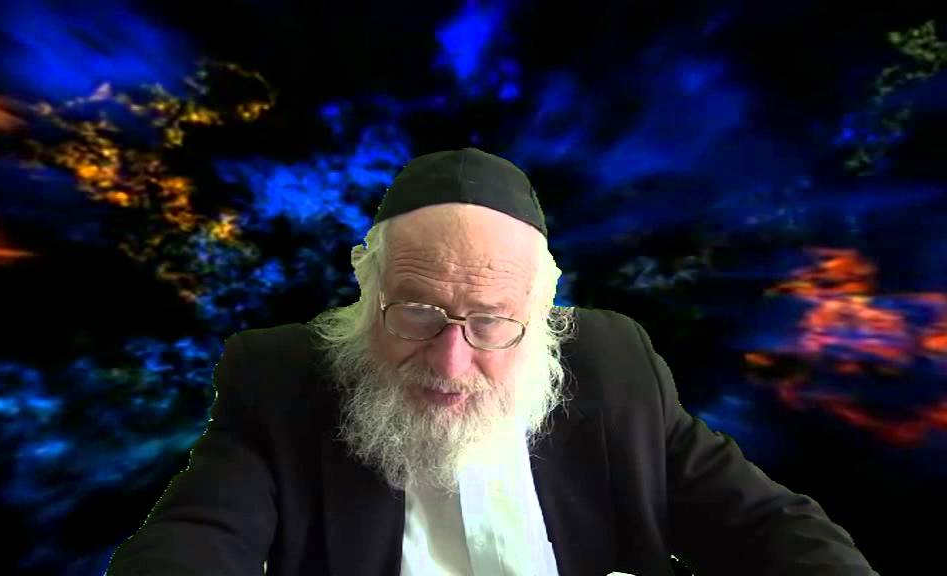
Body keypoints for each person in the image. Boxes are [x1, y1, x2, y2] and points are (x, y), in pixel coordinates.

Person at [105, 148, 878, 576]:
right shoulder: (280, 377)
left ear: (541, 315)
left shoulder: (613, 362)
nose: (451, 360)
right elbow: (195, 539)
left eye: (493, 322)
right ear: (369, 294)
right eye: (416, 312)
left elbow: (766, 524)